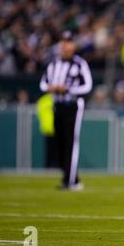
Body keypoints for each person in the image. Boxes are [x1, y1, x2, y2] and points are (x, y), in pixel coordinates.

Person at [39, 31, 93, 191]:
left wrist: (68, 89)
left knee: (71, 142)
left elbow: (87, 86)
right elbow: (43, 83)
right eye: (63, 42)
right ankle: (68, 177)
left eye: (69, 42)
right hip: (58, 105)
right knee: (60, 142)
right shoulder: (53, 64)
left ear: (73, 46)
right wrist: (52, 88)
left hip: (73, 105)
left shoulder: (80, 64)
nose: (66, 46)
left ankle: (71, 181)